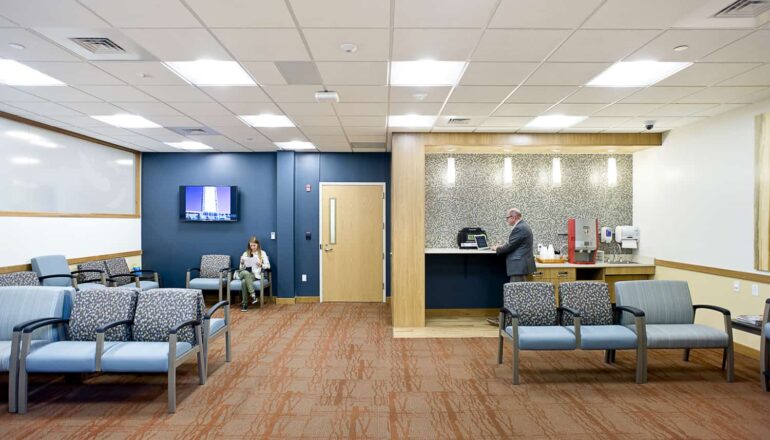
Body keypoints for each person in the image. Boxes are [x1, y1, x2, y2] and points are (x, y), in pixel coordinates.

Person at [488, 208, 536, 325]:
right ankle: (510, 319)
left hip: (519, 266)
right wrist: (501, 246)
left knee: (514, 294)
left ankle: (506, 320)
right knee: (518, 294)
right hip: (521, 265)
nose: (507, 220)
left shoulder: (520, 228)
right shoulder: (523, 226)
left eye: (507, 218)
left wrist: (497, 248)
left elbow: (510, 246)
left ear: (514, 217)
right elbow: (513, 243)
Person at [237, 236, 270, 312]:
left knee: (244, 282)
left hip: (253, 275)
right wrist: (242, 263)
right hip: (242, 273)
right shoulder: (245, 253)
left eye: (254, 245)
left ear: (258, 245)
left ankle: (244, 304)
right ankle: (253, 294)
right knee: (245, 272)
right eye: (251, 245)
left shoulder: (262, 253)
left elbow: (268, 266)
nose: (252, 247)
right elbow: (240, 268)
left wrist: (261, 265)